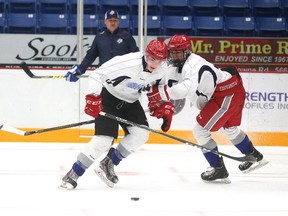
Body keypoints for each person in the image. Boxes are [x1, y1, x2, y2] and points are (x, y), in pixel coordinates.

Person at [147, 34, 268, 184]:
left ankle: (218, 169)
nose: (175, 55)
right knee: (229, 129)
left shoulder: (194, 64)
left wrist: (158, 95)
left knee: (200, 131)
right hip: (225, 92)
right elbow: (170, 86)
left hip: (226, 93)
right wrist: (159, 98)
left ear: (187, 51)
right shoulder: (176, 64)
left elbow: (184, 89)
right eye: (172, 52)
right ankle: (254, 156)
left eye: (178, 52)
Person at [59, 39, 175, 189]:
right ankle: (73, 174)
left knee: (141, 134)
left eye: (160, 60)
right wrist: (94, 97)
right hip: (109, 97)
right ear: (146, 54)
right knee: (103, 141)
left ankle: (108, 163)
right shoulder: (127, 62)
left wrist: (162, 103)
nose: (155, 63)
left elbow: (159, 86)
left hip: (131, 101)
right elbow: (96, 75)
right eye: (152, 58)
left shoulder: (163, 68)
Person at [65, 9, 139, 82]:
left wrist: (139, 74)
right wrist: (80, 69)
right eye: (110, 20)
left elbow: (136, 56)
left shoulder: (127, 36)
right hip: (104, 76)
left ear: (118, 21)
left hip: (122, 77)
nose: (113, 23)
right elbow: (90, 56)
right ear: (105, 21)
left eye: (115, 20)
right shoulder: (99, 37)